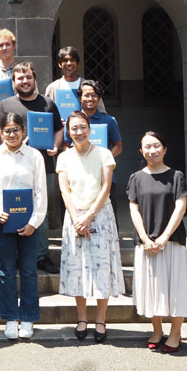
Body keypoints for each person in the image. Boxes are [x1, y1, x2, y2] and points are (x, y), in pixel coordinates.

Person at [0, 112, 47, 340]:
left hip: (29, 224)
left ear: (23, 131)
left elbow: (41, 193)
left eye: (16, 129)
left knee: (28, 271)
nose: (12, 134)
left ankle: (27, 318)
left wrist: (34, 222)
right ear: (0, 132)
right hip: (1, 221)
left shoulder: (34, 156)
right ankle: (9, 317)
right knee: (6, 271)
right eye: (7, 130)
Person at [57, 111, 124, 343]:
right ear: (68, 132)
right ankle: (82, 318)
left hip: (101, 215)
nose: (79, 132)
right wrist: (78, 218)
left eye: (83, 127)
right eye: (74, 128)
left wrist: (89, 217)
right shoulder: (64, 157)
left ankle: (101, 319)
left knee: (101, 267)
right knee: (77, 268)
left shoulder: (104, 154)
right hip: (74, 216)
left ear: (90, 128)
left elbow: (106, 187)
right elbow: (65, 190)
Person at [0, 62, 62, 273]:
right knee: (16, 208)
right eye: (20, 78)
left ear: (34, 79)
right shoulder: (5, 105)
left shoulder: (48, 103)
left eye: (28, 77)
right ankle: (17, 256)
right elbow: (1, 134)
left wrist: (56, 146)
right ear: (13, 82)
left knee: (41, 211)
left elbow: (58, 129)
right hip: (12, 167)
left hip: (44, 165)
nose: (24, 81)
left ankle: (41, 256)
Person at [128, 131, 187, 353]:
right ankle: (156, 330)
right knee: (151, 289)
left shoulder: (176, 176)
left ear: (164, 149)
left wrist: (163, 237)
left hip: (171, 241)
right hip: (146, 243)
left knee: (175, 288)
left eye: (156, 146)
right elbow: (133, 208)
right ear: (141, 151)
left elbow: (180, 207)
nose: (152, 150)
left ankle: (175, 333)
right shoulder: (136, 177)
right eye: (147, 147)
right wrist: (145, 238)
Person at [65, 80, 122, 223]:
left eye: (94, 95)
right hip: (78, 177)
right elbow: (65, 145)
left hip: (103, 176)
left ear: (99, 98)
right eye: (87, 95)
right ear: (80, 97)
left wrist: (103, 160)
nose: (90, 99)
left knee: (107, 216)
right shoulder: (72, 121)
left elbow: (118, 146)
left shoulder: (109, 120)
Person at [44, 46, 106, 115]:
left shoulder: (89, 86)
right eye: (65, 60)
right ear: (59, 64)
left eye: (73, 60)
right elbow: (47, 114)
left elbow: (101, 113)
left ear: (78, 64)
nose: (69, 63)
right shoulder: (52, 88)